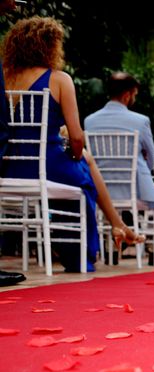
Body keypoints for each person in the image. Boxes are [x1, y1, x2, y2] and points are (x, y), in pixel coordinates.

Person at [1, 16, 100, 273]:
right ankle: (80, 256)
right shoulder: (59, 79)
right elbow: (77, 138)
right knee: (84, 181)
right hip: (49, 163)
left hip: (8, 166)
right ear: (50, 46)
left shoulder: (4, 78)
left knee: (76, 178)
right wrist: (76, 156)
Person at [84, 71, 154, 265]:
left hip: (102, 193)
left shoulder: (89, 121)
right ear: (127, 95)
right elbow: (151, 160)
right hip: (135, 191)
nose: (134, 98)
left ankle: (111, 251)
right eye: (134, 94)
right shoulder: (140, 121)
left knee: (116, 204)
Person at [0, 0, 25, 286]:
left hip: (15, 165)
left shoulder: (9, 75)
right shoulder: (58, 79)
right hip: (37, 165)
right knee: (87, 178)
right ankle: (86, 254)